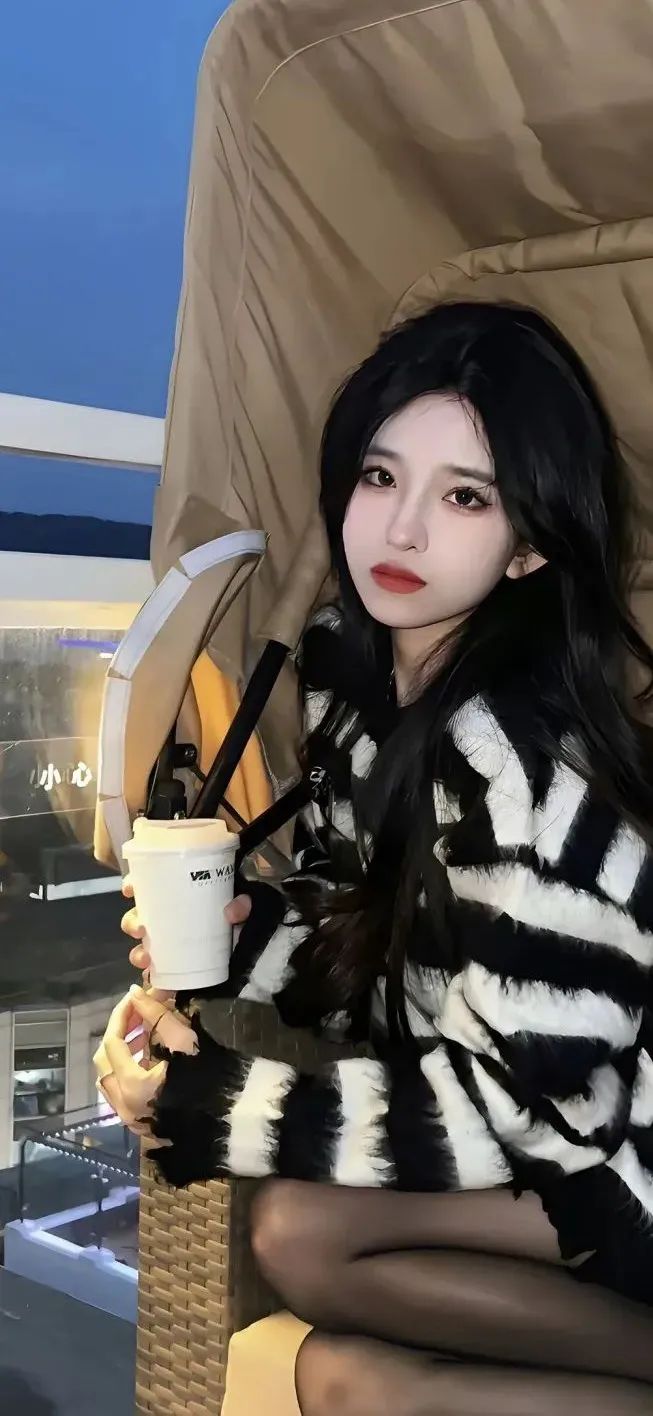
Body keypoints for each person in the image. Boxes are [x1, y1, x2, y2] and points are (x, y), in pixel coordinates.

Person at [96, 302, 653, 1414]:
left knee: (301, 1249)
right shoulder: (358, 688)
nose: (398, 531)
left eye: (464, 497)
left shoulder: (538, 775)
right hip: (535, 1135)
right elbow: (396, 953)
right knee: (332, 1357)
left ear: (530, 543)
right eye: (379, 476)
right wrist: (244, 940)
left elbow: (531, 1107)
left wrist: (217, 1104)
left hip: (607, 1154)